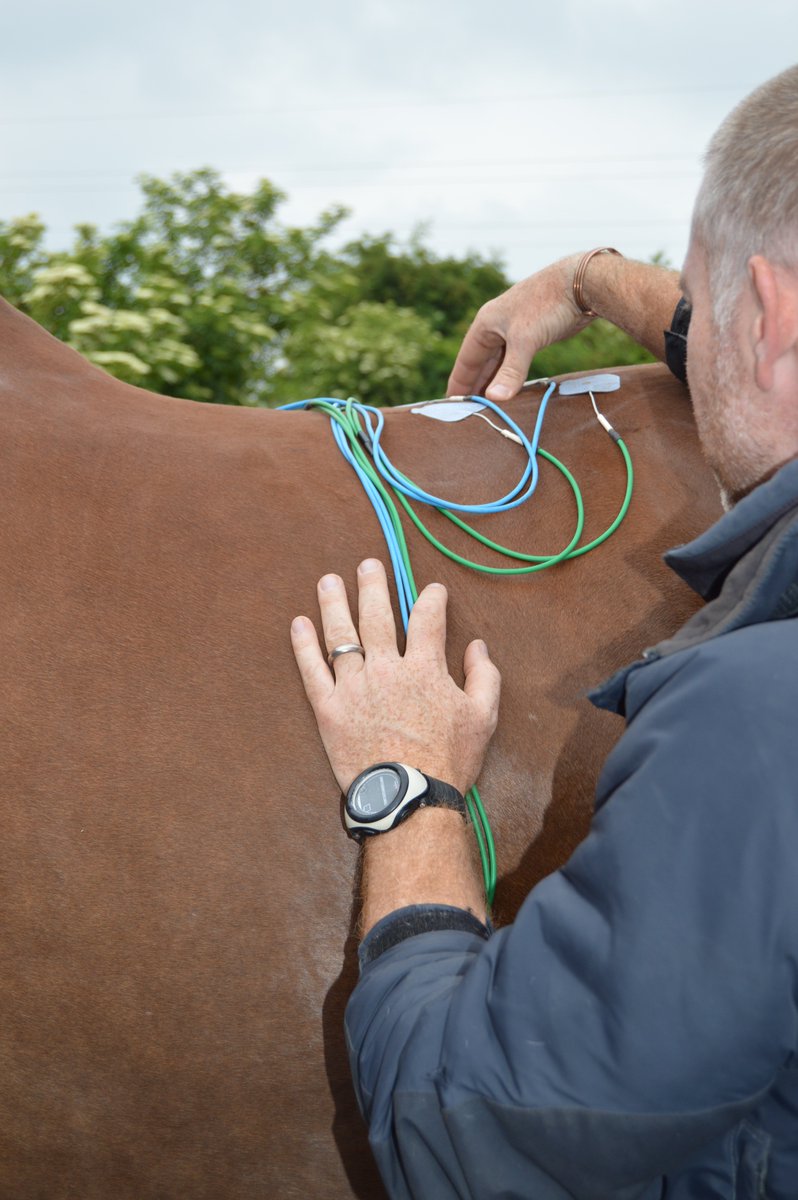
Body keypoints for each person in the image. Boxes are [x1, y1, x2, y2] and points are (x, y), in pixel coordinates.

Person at [290, 65, 798, 1199]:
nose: (692, 329)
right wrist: (588, 279)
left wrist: (408, 786)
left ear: (769, 319)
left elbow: (475, 1151)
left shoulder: (762, 715)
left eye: (709, 297)